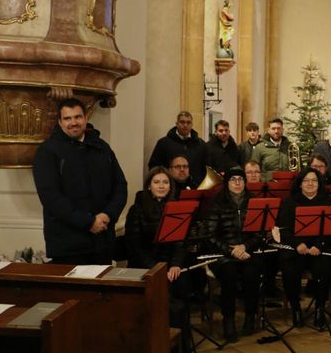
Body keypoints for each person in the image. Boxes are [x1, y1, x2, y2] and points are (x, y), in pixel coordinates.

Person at [33, 98, 127, 265]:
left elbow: (120, 186)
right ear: (60, 122)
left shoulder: (102, 147)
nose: (73, 122)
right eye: (68, 118)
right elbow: (51, 198)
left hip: (102, 241)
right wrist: (88, 222)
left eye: (78, 117)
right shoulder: (48, 151)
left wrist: (108, 215)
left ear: (86, 118)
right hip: (68, 245)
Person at [125, 167, 192, 351]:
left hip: (171, 267)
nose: (161, 186)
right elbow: (135, 247)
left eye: (165, 182)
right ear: (148, 186)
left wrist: (176, 264)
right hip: (145, 267)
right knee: (169, 301)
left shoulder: (177, 208)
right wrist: (158, 269)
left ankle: (182, 345)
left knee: (183, 287)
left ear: (170, 187)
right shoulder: (136, 210)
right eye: (156, 182)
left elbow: (181, 242)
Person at [277, 168, 331, 330]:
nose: (310, 183)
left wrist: (318, 245)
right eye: (306, 180)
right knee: (290, 270)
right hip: (296, 249)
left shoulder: (328, 202)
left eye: (314, 180)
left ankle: (320, 309)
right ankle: (296, 309)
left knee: (324, 269)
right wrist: (297, 244)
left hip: (319, 249)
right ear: (299, 184)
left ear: (319, 183)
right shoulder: (289, 202)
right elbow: (283, 230)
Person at [205, 167, 263, 342]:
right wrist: (231, 250)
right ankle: (228, 321)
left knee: (251, 274)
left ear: (245, 182)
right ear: (227, 183)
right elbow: (210, 235)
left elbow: (260, 232)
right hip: (223, 253)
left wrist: (245, 246)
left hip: (248, 251)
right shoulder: (216, 203)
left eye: (241, 179)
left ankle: (250, 317)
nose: (237, 183)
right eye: (233, 179)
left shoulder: (254, 201)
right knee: (229, 274)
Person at [148, 111, 208, 187]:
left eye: (188, 122)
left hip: (194, 187)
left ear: (192, 125)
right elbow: (154, 166)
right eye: (182, 122)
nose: (185, 125)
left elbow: (206, 168)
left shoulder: (201, 144)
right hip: (170, 188)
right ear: (177, 124)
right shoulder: (163, 143)